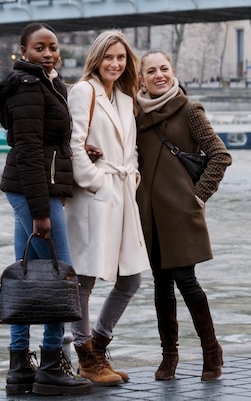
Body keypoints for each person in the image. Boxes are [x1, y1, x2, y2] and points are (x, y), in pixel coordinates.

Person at [0, 22, 91, 397]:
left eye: (53, 47)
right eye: (39, 48)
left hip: (32, 189)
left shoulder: (46, 82)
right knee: (61, 275)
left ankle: (18, 366)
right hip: (32, 193)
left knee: (27, 275)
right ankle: (51, 366)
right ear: (23, 51)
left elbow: (47, 143)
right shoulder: (28, 88)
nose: (48, 53)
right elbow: (28, 153)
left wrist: (79, 154)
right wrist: (41, 212)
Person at [135, 50, 232, 381]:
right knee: (160, 286)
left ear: (173, 71)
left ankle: (211, 351)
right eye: (151, 71)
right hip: (148, 215)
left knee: (186, 282)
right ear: (141, 79)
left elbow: (220, 156)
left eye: (164, 68)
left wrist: (198, 197)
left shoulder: (189, 110)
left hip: (180, 214)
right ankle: (169, 356)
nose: (159, 75)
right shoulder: (135, 114)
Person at [64, 30, 150, 386]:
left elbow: (129, 149)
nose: (115, 64)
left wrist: (132, 179)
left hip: (122, 194)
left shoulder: (127, 98)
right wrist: (95, 181)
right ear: (96, 59)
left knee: (131, 277)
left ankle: (98, 345)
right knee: (84, 278)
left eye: (121, 58)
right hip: (96, 196)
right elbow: (75, 142)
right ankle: (86, 356)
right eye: (108, 57)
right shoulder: (84, 91)